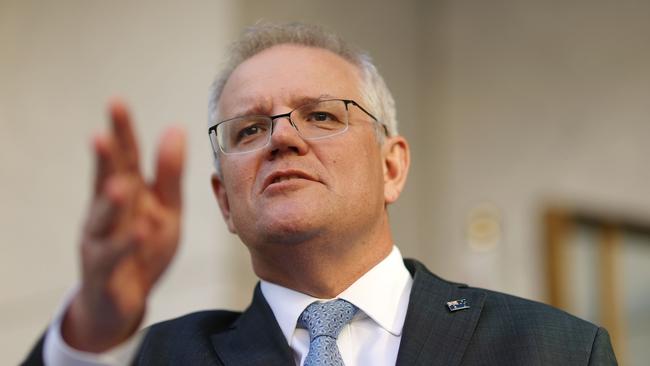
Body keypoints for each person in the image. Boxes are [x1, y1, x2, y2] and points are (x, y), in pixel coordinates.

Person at [24, 23, 616, 366]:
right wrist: (91, 328)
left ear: (392, 166)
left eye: (322, 116)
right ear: (224, 202)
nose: (281, 137)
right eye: (250, 129)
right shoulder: (166, 356)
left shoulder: (554, 349)